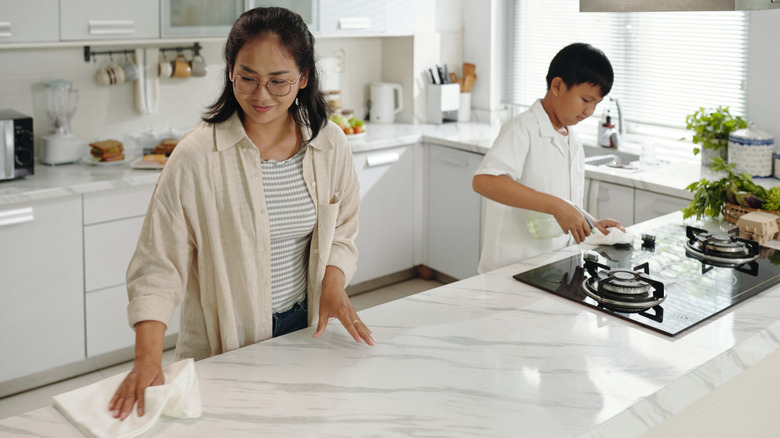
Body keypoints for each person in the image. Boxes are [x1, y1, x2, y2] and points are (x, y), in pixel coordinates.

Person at [109, 7, 374, 421]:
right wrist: (147, 358)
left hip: (305, 329)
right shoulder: (197, 156)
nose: (261, 95)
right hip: (225, 341)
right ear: (230, 71)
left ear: (304, 78)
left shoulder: (329, 144)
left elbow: (342, 232)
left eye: (278, 81)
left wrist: (333, 284)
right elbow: (158, 266)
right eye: (247, 77)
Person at [472, 42, 624, 273]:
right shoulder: (522, 128)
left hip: (555, 267)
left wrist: (592, 224)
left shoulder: (572, 140)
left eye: (596, 104)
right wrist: (556, 206)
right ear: (557, 85)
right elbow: (485, 181)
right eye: (585, 100)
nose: (589, 112)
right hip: (511, 268)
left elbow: (565, 201)